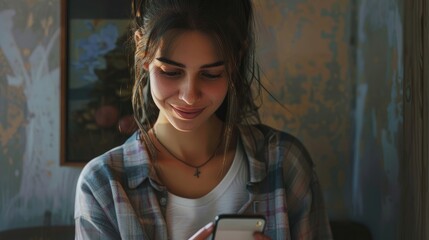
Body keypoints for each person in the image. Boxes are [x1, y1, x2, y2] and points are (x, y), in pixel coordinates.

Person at [74, 0, 333, 239]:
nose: (189, 96)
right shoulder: (104, 185)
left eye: (211, 74)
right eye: (171, 72)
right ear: (143, 53)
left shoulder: (285, 164)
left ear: (236, 60)